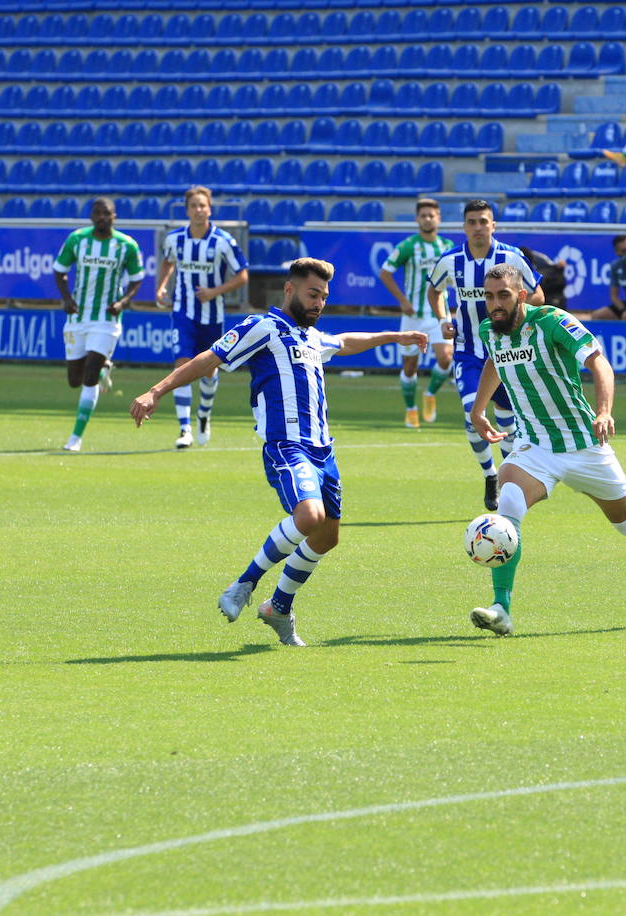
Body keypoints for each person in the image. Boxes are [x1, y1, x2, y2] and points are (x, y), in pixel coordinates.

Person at [130, 258, 429, 646]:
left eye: (323, 296)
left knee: (327, 537)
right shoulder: (263, 327)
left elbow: (347, 342)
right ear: (289, 290)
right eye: (312, 294)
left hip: (324, 450)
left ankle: (279, 606)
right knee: (309, 515)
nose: (319, 302)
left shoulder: (311, 337)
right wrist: (156, 391)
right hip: (286, 445)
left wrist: (396, 336)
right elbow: (210, 357)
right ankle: (245, 584)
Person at [465, 265, 626, 636]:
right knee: (508, 505)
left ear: (521, 295)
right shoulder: (492, 331)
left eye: (503, 295)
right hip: (534, 444)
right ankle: (501, 608)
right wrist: (478, 408)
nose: (494, 304)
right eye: (489, 296)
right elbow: (494, 361)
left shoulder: (553, 321)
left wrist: (603, 411)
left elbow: (599, 363)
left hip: (585, 446)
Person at [427, 199, 543, 511]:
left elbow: (537, 294)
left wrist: (519, 320)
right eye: (472, 222)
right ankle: (490, 475)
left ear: (493, 225)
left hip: (505, 349)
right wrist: (442, 320)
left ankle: (510, 481)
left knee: (508, 422)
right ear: (464, 226)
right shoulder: (450, 260)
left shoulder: (511, 258)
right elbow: (434, 290)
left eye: (483, 221)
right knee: (470, 413)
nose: (478, 227)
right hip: (467, 349)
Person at [154, 185, 249, 449]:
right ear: (187, 210)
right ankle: (184, 429)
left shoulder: (223, 241)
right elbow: (167, 262)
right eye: (194, 206)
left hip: (212, 315)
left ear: (210, 209)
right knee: (182, 364)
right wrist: (161, 287)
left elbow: (242, 275)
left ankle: (204, 415)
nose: (198, 210)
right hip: (183, 311)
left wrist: (215, 291)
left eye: (202, 205)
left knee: (209, 370)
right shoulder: (174, 239)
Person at [54, 197, 144, 452]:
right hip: (78, 317)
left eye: (108, 213)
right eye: (98, 213)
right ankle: (105, 370)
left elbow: (137, 279)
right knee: (75, 379)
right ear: (91, 216)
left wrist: (123, 302)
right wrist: (67, 299)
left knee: (89, 377)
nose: (103, 217)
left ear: (115, 216)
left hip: (107, 319)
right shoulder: (77, 240)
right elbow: (59, 270)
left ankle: (75, 438)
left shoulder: (126, 245)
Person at [378, 197, 455, 430]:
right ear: (417, 219)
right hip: (413, 316)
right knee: (410, 367)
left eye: (432, 215)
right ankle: (411, 410)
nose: (428, 219)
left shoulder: (447, 246)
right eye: (423, 215)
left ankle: (430, 394)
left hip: (439, 314)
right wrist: (402, 300)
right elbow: (385, 273)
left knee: (446, 358)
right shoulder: (408, 246)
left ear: (438, 218)